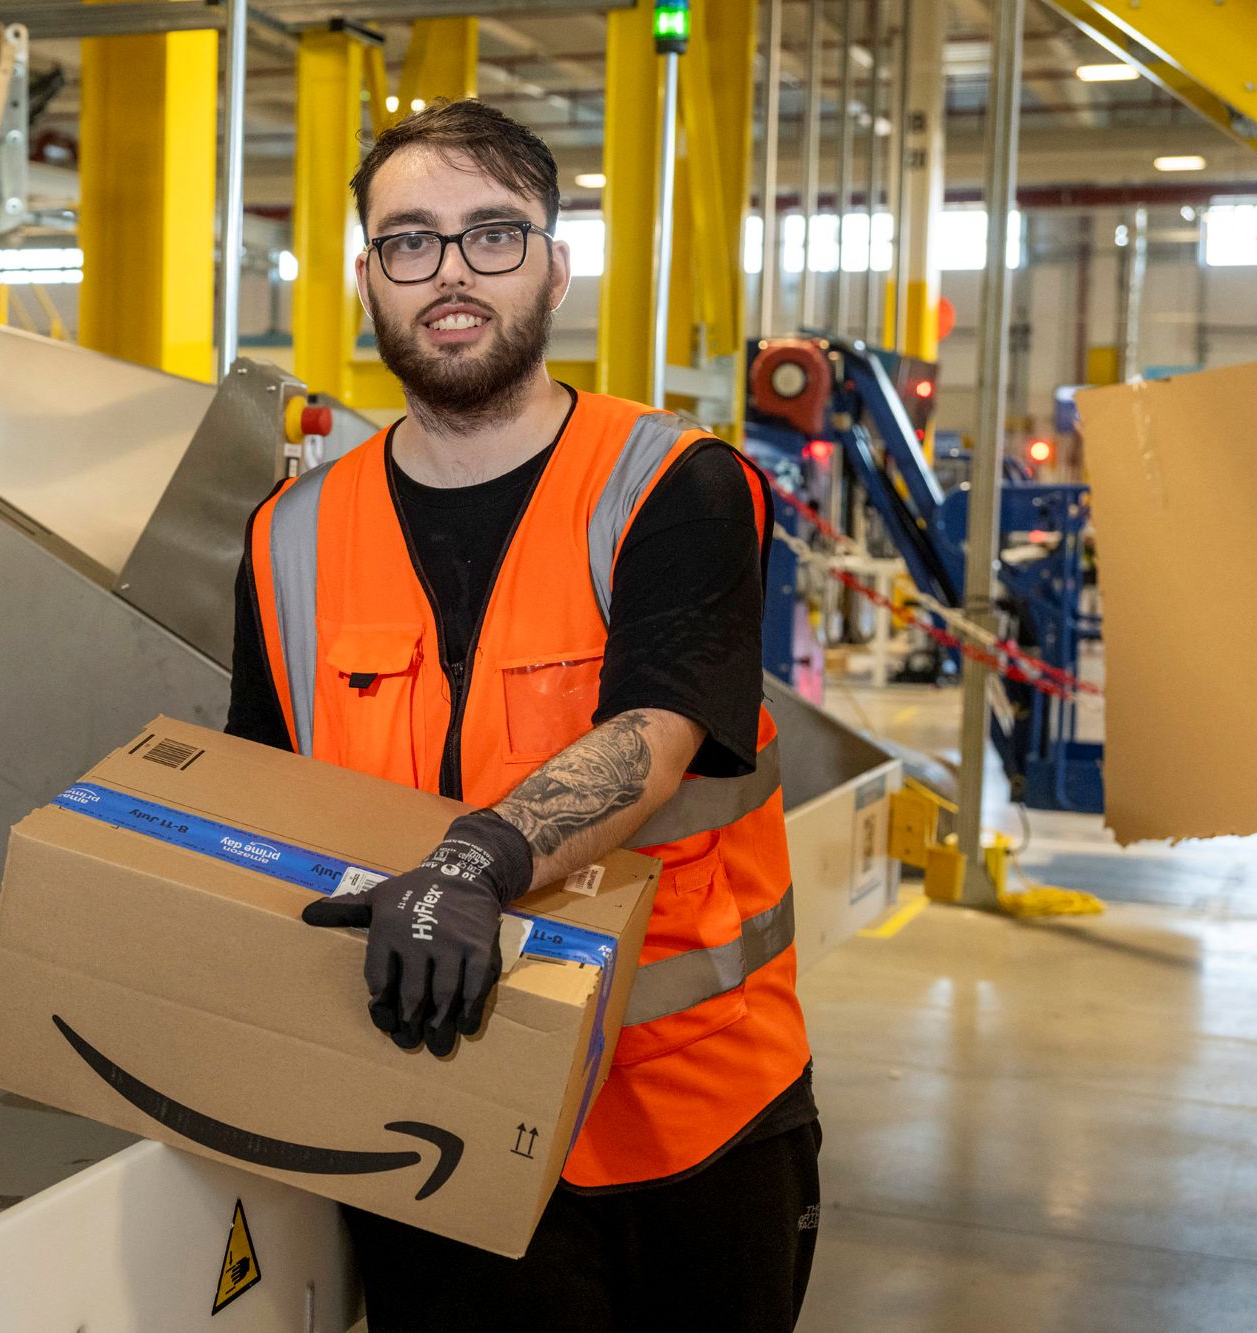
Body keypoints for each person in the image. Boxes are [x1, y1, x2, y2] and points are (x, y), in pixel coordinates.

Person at [225, 100, 819, 1331]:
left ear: (556, 263)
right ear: (365, 277)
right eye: (410, 241)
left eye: (491, 235)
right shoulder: (288, 538)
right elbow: (257, 802)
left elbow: (655, 728)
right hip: (428, 1110)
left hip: (686, 1119)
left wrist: (471, 861)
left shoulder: (674, 486)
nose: (448, 273)